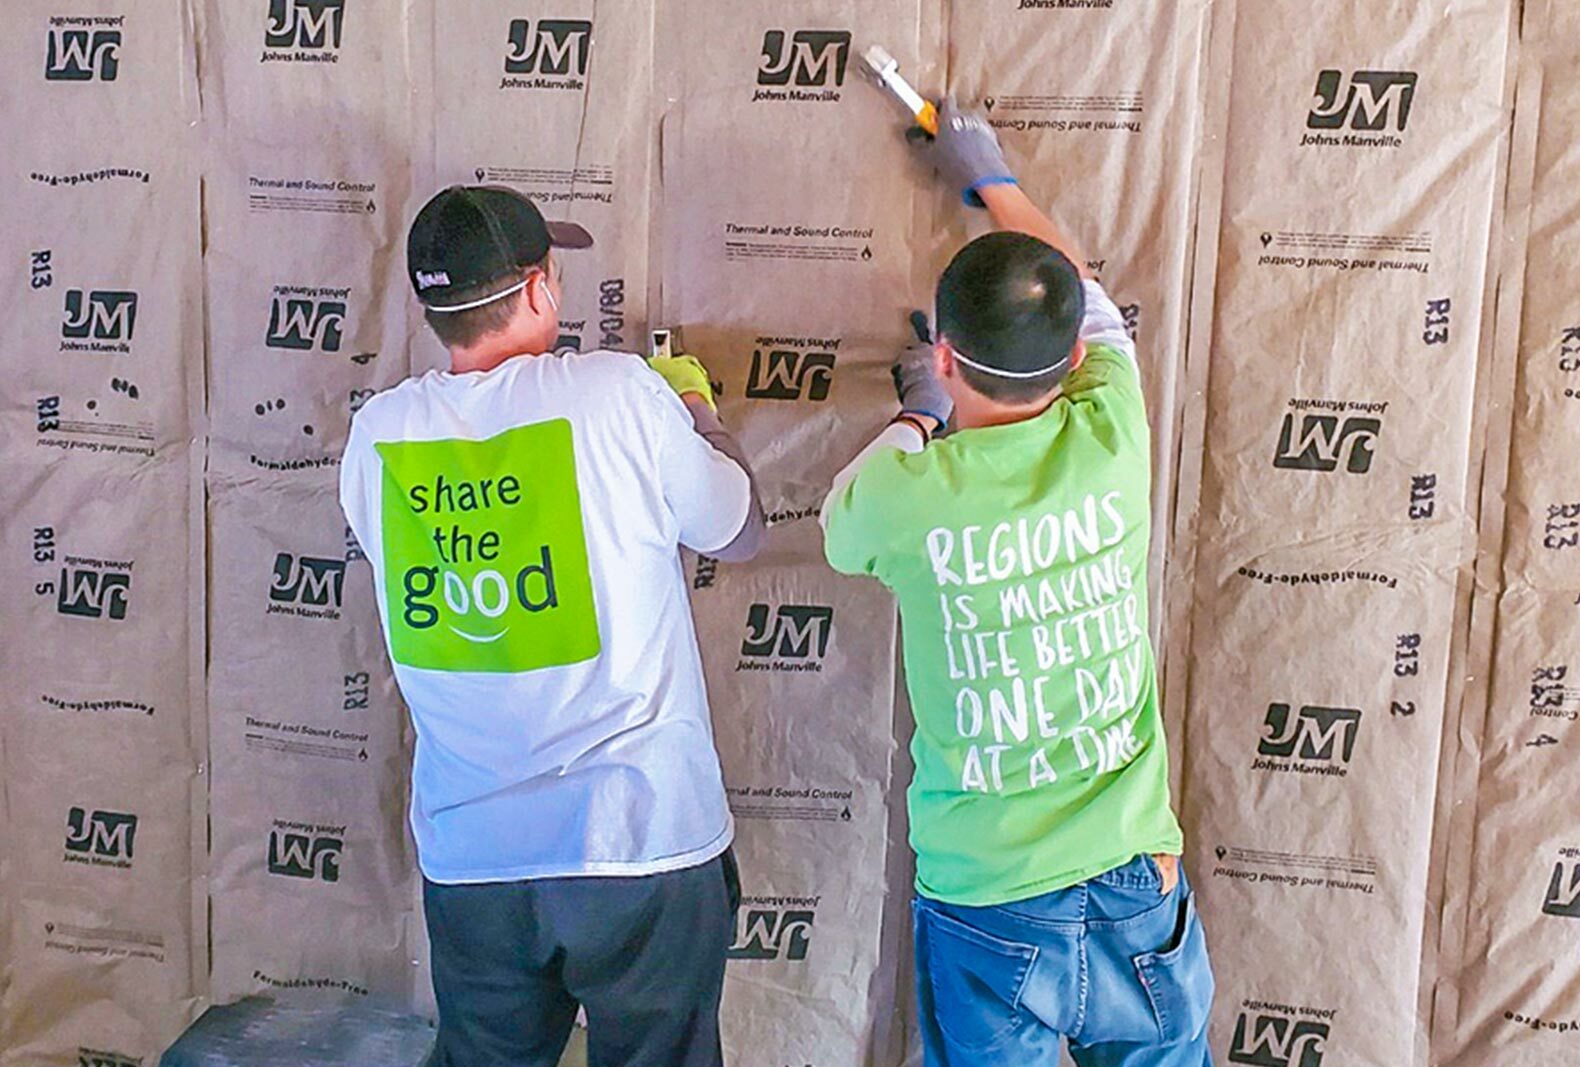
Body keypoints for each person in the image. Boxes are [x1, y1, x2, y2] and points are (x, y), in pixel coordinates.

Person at [820, 101, 1215, 1066]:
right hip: (1133, 879)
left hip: (987, 898)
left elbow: (838, 519)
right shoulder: (1113, 430)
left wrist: (920, 415)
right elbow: (1088, 296)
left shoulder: (906, 494)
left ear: (943, 356)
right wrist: (990, 177)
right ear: (1073, 361)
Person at [339, 185, 764, 1067]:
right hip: (637, 841)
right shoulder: (618, 394)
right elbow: (740, 528)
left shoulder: (378, 435)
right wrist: (694, 409)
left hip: (475, 861)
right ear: (538, 289)